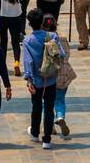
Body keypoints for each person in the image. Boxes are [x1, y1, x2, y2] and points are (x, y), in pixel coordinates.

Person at [23, 9, 71, 147]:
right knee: (49, 108)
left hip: (36, 80)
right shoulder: (52, 37)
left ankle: (35, 133)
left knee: (36, 107)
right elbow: (61, 54)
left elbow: (28, 62)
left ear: (30, 24)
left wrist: (29, 80)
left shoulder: (28, 41)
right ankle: (47, 139)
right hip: (51, 78)